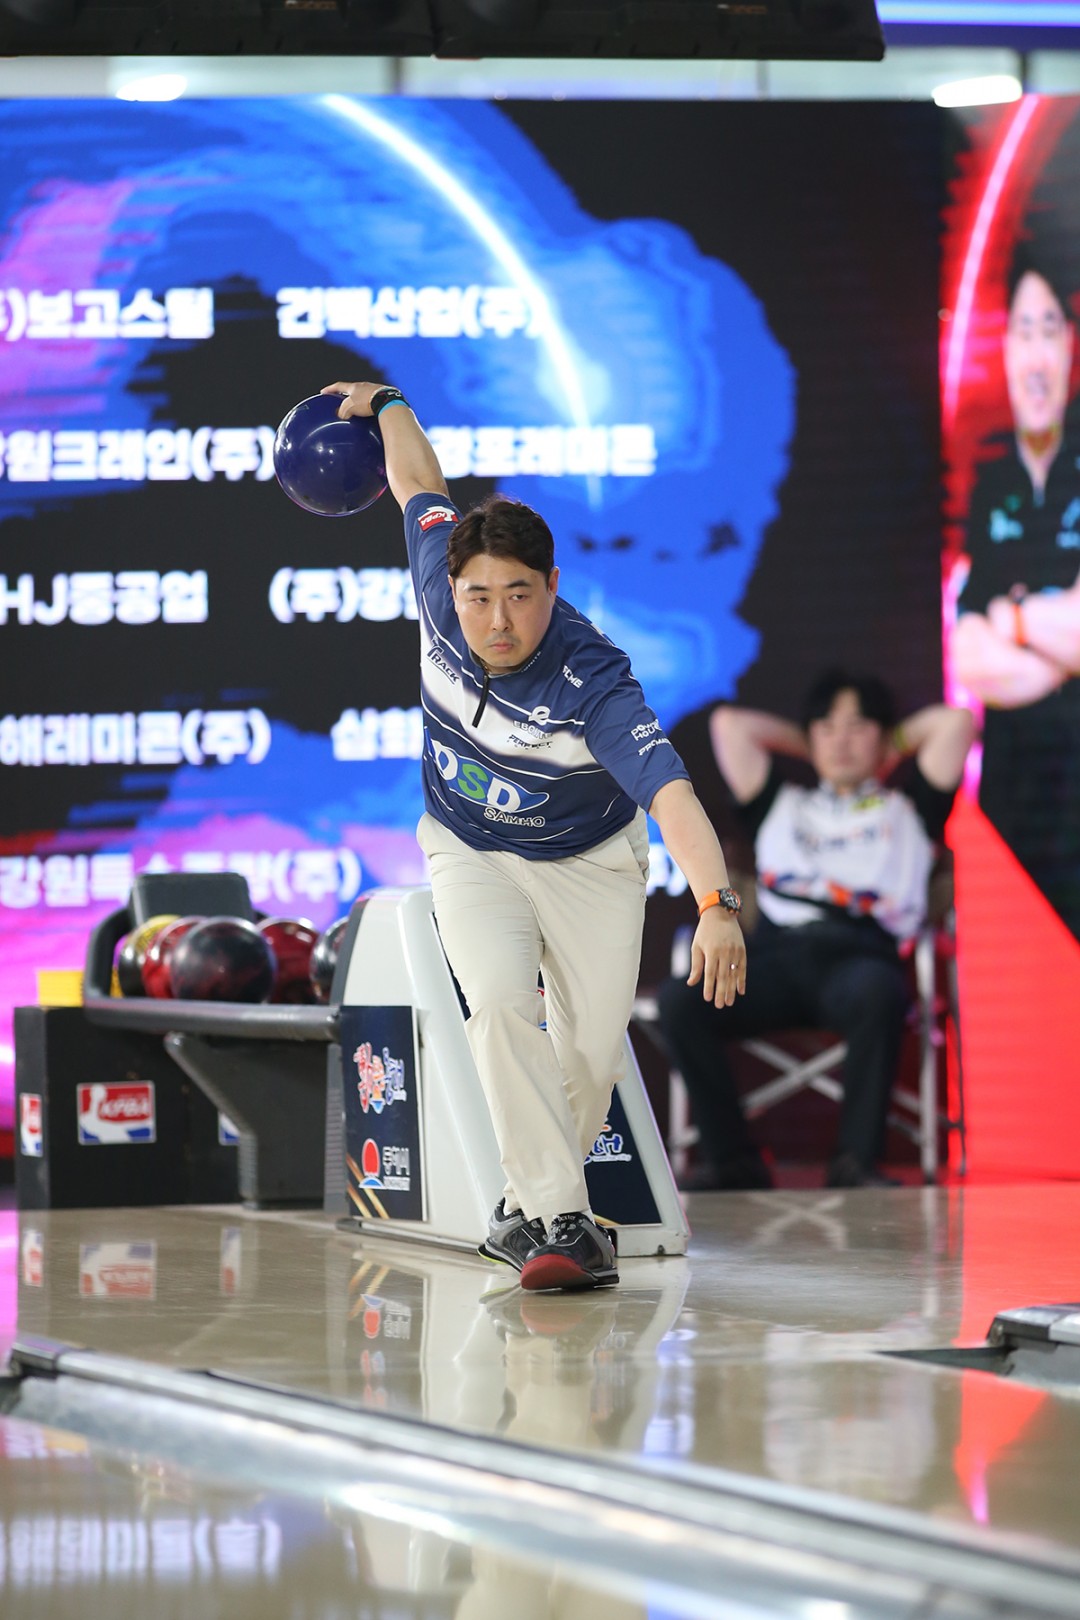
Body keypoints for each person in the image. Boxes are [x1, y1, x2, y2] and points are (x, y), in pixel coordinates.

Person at [321, 378, 746, 1292]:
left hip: (591, 861)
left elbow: (672, 797)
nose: (498, 621)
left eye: (519, 596)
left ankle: (524, 1210)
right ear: (452, 588)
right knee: (500, 1004)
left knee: (589, 1052)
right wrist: (387, 401)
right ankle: (563, 1224)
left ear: (553, 586)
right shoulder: (440, 586)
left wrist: (717, 905)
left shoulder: (594, 682)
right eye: (479, 598)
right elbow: (417, 484)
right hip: (469, 847)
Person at [657, 672, 974, 1190]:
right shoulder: (781, 802)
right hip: (776, 957)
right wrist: (816, 746)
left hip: (859, 955)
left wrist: (887, 750)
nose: (841, 740)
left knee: (879, 991)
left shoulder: (910, 805)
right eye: (827, 728)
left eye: (858, 727)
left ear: (883, 734)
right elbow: (730, 725)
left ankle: (855, 1162)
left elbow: (957, 722)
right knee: (679, 1001)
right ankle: (734, 1161)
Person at [950, 251, 1080, 937]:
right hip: (1013, 785)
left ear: (1071, 342)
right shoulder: (991, 479)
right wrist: (1056, 640)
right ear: (1003, 350)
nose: (1035, 356)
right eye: (1022, 331)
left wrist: (1015, 617)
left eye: (1049, 329)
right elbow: (969, 653)